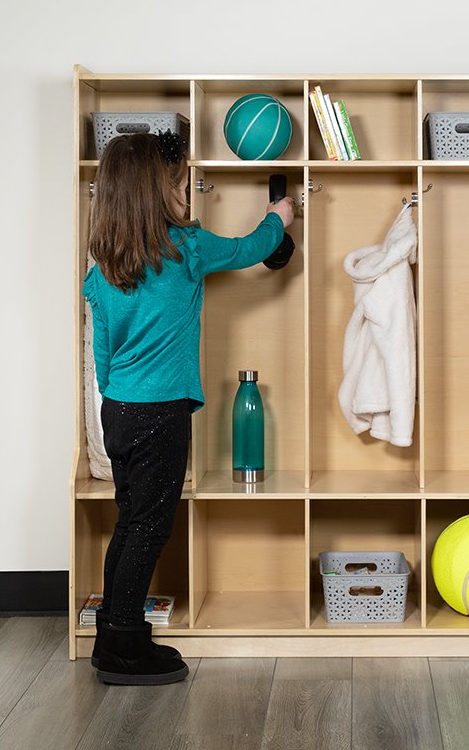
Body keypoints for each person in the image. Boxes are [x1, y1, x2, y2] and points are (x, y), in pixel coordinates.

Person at [83, 130, 294, 685]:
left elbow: (103, 358)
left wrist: (120, 400)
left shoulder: (102, 268)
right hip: (161, 413)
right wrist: (280, 217)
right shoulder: (187, 250)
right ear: (156, 195)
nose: (187, 199)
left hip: (120, 410)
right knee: (150, 528)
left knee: (130, 524)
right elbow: (251, 247)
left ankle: (112, 635)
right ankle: (125, 648)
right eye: (180, 188)